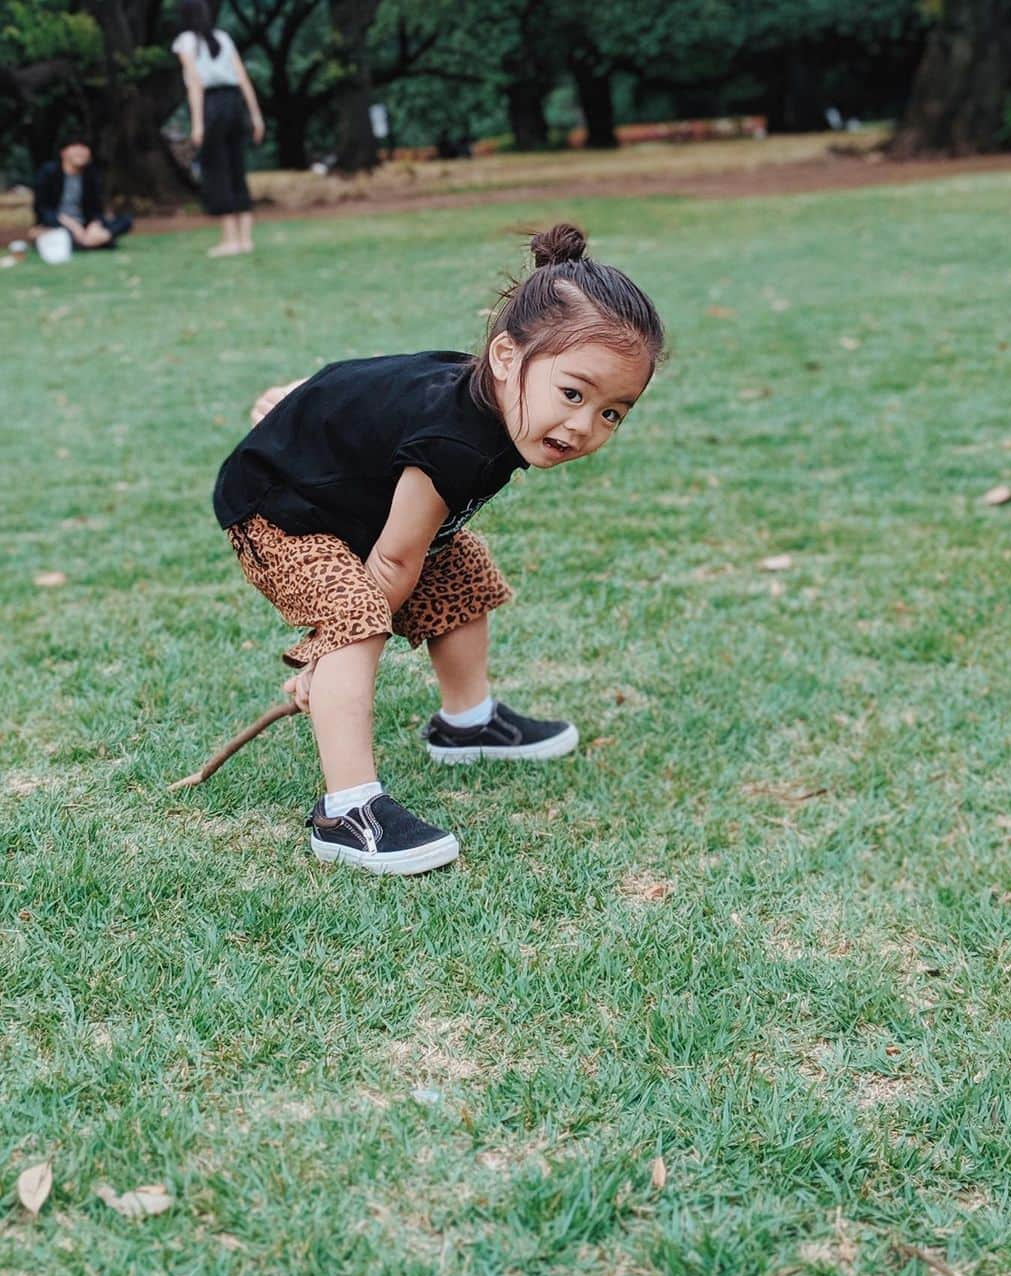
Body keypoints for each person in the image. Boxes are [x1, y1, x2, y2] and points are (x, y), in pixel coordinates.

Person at [213, 222, 664, 876]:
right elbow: (394, 562)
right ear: (508, 358)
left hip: (343, 495)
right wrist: (326, 653)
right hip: (279, 508)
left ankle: (467, 721)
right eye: (573, 393)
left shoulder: (495, 400)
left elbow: (374, 394)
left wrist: (297, 405)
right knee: (359, 611)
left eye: (611, 413)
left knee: (461, 569)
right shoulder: (456, 441)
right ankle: (349, 809)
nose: (583, 426)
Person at [172, 0, 264, 258]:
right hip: (234, 103)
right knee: (236, 168)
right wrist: (256, 116)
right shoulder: (223, 37)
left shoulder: (185, 41)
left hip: (212, 105)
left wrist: (198, 124)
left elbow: (195, 84)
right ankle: (245, 239)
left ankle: (230, 239)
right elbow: (242, 77)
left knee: (216, 170)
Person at [31, 134, 133, 252]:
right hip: (59, 223)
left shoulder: (91, 175)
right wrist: (72, 225)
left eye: (84, 147)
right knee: (60, 233)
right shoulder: (48, 173)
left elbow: (96, 210)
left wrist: (94, 225)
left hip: (84, 224)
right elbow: (42, 209)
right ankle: (97, 242)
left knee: (126, 220)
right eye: (75, 146)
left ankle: (89, 241)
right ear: (63, 152)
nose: (81, 151)